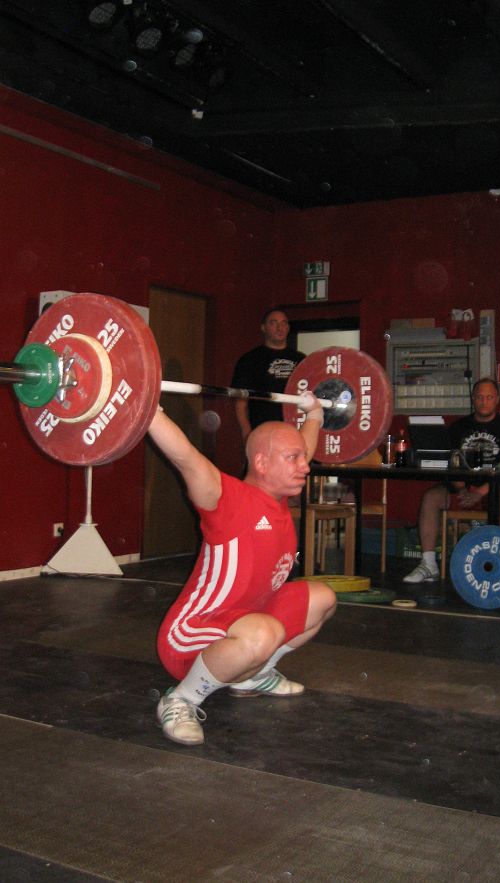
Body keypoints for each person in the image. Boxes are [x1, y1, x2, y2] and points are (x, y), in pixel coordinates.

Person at [148, 392, 336, 746]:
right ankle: (181, 699)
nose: (305, 466)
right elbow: (185, 457)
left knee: (322, 598)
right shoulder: (227, 499)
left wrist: (314, 414)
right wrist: (149, 410)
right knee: (264, 633)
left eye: (302, 457)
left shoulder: (277, 496)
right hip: (191, 635)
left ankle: (253, 675)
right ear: (262, 463)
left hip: (246, 623)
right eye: (293, 458)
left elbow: (303, 447)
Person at [404, 377, 500, 583]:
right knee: (430, 497)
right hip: (461, 486)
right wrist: (462, 488)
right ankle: (428, 564)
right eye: (480, 397)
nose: (484, 402)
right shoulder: (458, 427)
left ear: (497, 400)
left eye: (489, 397)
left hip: (494, 486)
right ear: (473, 398)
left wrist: (480, 492)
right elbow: (451, 461)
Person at [231, 307, 306, 444]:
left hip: (294, 430)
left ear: (288, 327)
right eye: (273, 323)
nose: (279, 328)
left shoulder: (301, 360)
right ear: (263, 328)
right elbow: (241, 402)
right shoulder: (249, 360)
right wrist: (246, 432)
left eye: (283, 323)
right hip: (263, 430)